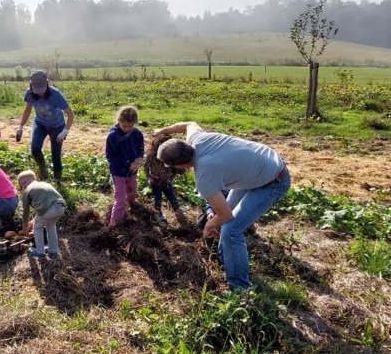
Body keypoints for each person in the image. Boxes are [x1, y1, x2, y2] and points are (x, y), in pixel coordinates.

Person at [155, 121, 291, 290]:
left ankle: (240, 288)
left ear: (181, 165)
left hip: (273, 181)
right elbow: (188, 123)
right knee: (224, 219)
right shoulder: (198, 137)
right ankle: (226, 259)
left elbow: (226, 216)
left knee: (231, 230)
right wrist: (162, 130)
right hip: (260, 166)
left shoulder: (204, 177)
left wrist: (210, 224)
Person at [15, 70, 75, 181]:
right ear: (31, 85)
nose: (40, 93)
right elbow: (27, 110)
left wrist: (65, 131)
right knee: (35, 149)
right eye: (37, 90)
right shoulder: (29, 93)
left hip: (57, 126)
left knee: (55, 155)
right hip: (40, 123)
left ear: (47, 83)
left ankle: (58, 180)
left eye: (42, 89)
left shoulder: (55, 94)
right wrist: (20, 127)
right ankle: (43, 169)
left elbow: (70, 114)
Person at [105, 106, 145, 226]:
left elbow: (140, 148)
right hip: (118, 172)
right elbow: (111, 156)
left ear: (135, 123)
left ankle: (132, 206)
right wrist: (127, 163)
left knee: (132, 191)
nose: (127, 129)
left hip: (132, 171)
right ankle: (115, 224)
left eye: (130, 126)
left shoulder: (137, 134)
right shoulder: (113, 136)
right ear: (119, 121)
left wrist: (139, 158)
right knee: (120, 199)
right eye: (124, 126)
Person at [18, 170, 66, 260]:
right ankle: (53, 252)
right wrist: (34, 219)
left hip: (49, 209)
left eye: (22, 186)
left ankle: (40, 252)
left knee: (37, 227)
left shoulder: (27, 190)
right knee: (51, 226)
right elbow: (44, 205)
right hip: (60, 207)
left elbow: (26, 212)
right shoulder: (44, 184)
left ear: (24, 183)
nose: (22, 188)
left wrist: (24, 226)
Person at [143, 134, 182, 222]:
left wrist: (170, 178)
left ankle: (177, 210)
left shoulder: (171, 158)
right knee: (157, 198)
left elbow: (175, 170)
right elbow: (146, 167)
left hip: (166, 181)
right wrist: (150, 176)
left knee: (171, 196)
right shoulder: (152, 158)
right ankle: (158, 213)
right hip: (155, 181)